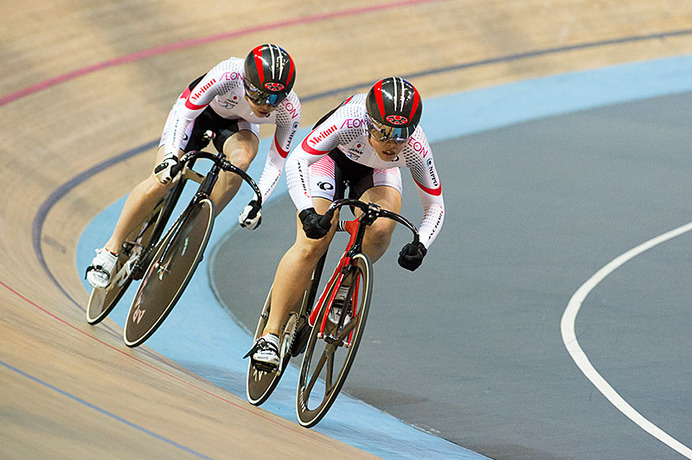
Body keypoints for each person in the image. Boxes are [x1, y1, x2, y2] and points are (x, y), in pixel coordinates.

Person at [249, 76, 444, 367]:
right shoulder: (349, 121)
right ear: (369, 122)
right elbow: (297, 161)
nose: (392, 143)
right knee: (312, 242)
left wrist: (422, 243)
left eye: (401, 134)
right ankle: (271, 335)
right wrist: (306, 211)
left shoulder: (415, 147)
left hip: (376, 173)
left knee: (380, 226)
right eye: (385, 132)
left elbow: (435, 206)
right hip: (330, 160)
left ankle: (343, 289)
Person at [86, 43, 301, 289]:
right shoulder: (228, 74)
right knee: (162, 180)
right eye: (261, 96)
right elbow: (186, 114)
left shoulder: (289, 109)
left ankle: (195, 227)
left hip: (237, 126)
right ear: (246, 82)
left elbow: (276, 161)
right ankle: (109, 251)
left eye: (276, 98)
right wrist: (169, 158)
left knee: (241, 161)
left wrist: (257, 202)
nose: (267, 106)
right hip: (196, 116)